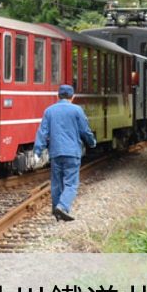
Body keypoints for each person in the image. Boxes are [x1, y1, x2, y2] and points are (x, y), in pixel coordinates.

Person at [34, 84, 96, 221]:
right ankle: (62, 206)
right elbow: (85, 130)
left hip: (56, 153)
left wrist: (37, 151)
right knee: (71, 184)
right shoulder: (77, 110)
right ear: (73, 97)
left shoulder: (49, 111)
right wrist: (92, 142)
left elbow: (43, 133)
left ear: (57, 96)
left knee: (56, 184)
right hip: (72, 153)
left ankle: (57, 213)